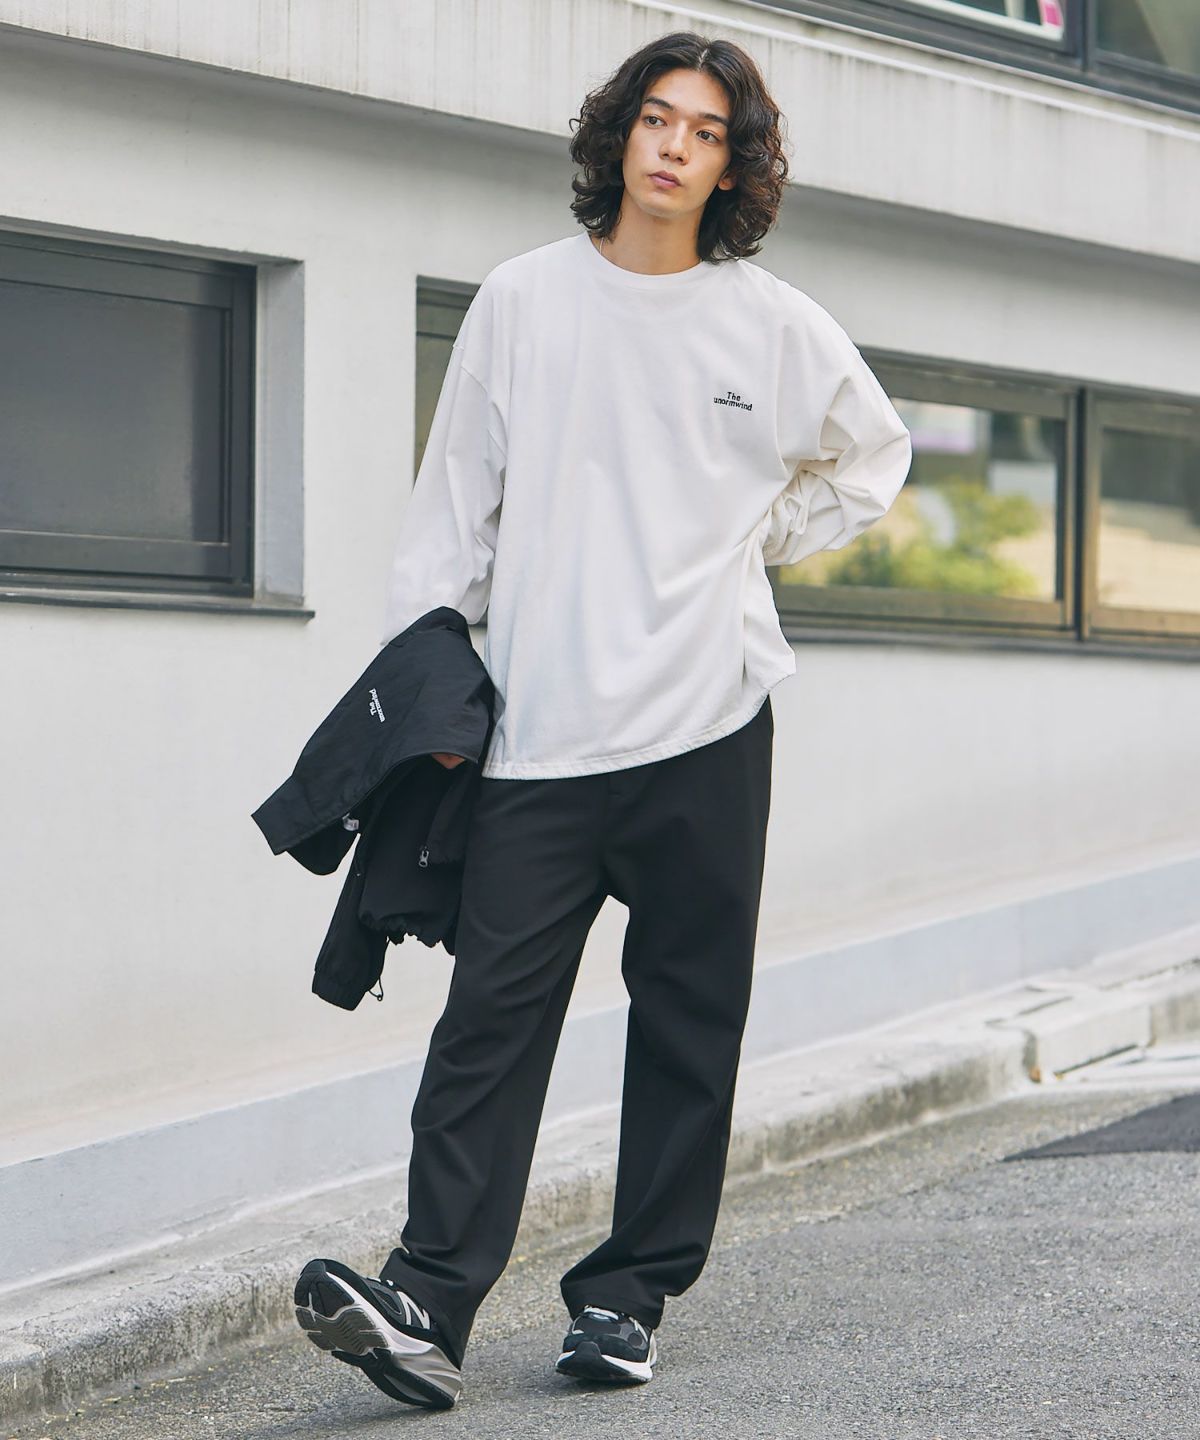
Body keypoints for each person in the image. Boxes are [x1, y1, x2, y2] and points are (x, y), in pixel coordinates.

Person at [293, 29, 912, 1411]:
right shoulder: (524, 301)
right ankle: (428, 1298)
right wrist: (427, 679)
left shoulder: (772, 323)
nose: (674, 145)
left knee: (690, 1020)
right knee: (489, 1021)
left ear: (733, 165)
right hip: (541, 736)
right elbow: (452, 509)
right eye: (656, 118)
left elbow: (873, 456)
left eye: (706, 131)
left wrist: (760, 539)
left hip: (710, 724)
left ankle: (628, 1298)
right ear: (619, 134)